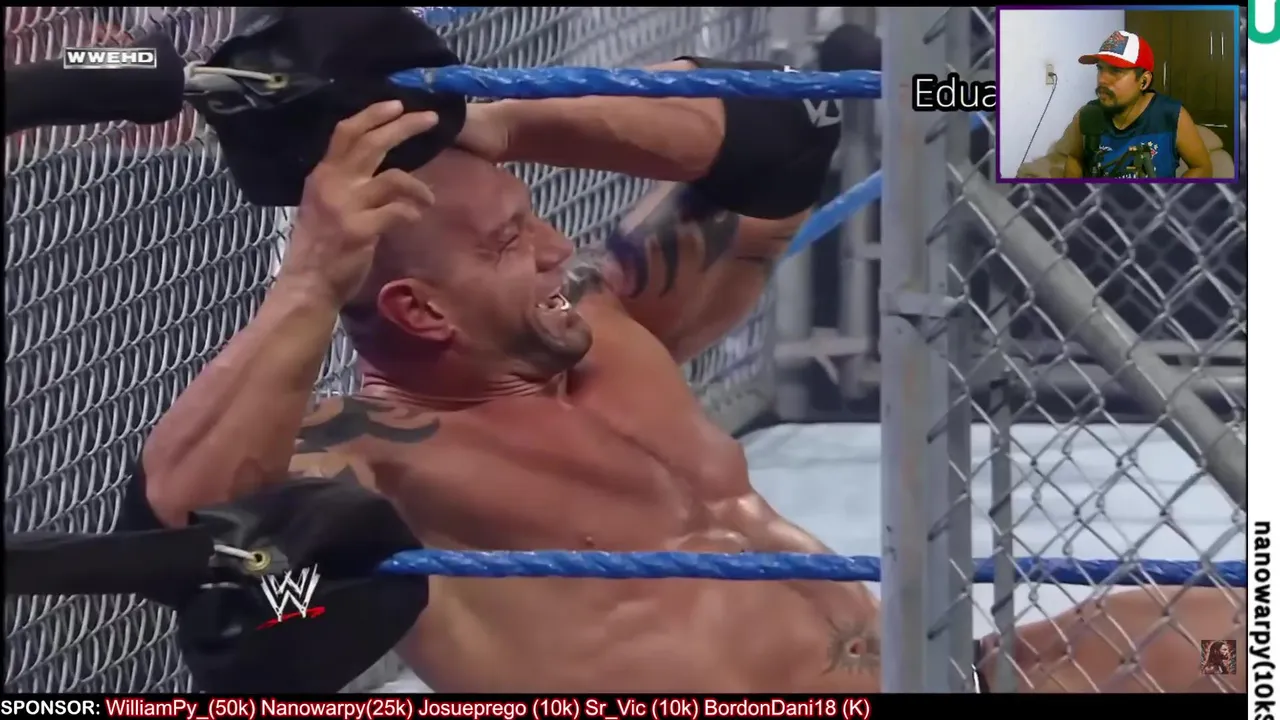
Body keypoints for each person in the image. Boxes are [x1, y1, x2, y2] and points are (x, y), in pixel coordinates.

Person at [130, 57, 1242, 693]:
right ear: (420, 311)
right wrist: (311, 277)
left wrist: (486, 114)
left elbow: (774, 138)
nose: (557, 247)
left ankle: (1241, 69)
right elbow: (184, 518)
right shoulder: (374, 456)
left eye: (536, 217)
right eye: (512, 242)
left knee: (1229, 632)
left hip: (924, 676)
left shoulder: (602, 325)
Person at [1056, 30, 1213, 179]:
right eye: (1100, 69)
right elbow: (1075, 159)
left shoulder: (1171, 115)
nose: (1102, 79)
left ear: (1144, 81)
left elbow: (1202, 168)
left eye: (1115, 71)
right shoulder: (1089, 114)